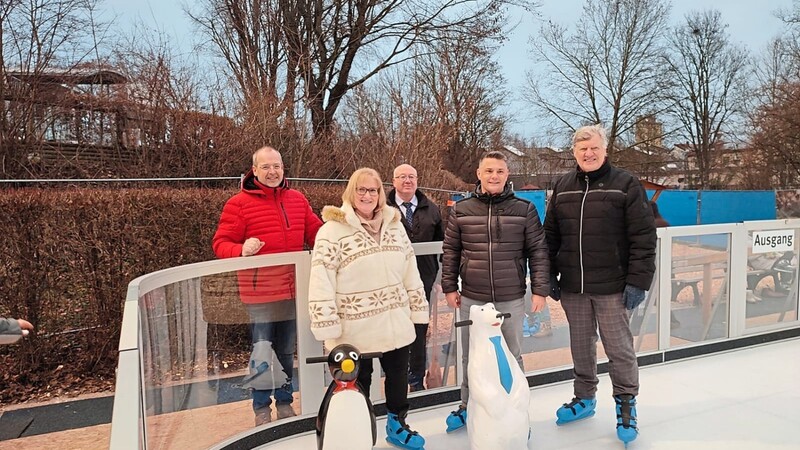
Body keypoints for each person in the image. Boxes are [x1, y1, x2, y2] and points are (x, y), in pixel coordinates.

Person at [544, 125, 656, 445]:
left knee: (619, 349)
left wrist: (637, 281)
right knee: (581, 345)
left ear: (605, 149)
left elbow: (644, 237)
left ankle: (625, 404)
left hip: (613, 286)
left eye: (593, 148)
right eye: (582, 149)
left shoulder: (626, 184)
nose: (588, 154)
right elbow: (550, 235)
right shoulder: (563, 185)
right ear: (574, 153)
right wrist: (549, 274)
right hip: (574, 286)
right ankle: (585, 398)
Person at [308, 167, 429, 450]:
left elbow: (410, 270)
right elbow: (321, 280)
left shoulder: (395, 226)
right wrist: (327, 322)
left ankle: (397, 424)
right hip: (354, 327)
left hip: (394, 320)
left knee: (398, 375)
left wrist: (417, 309)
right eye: (361, 189)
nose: (367, 195)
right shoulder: (331, 231)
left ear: (380, 195)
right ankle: (357, 429)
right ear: (351, 193)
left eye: (373, 190)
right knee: (358, 382)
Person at [212, 145, 323, 426]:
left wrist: (345, 228)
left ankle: (285, 403)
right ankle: (261, 409)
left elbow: (318, 233)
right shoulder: (238, 204)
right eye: (266, 167)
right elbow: (220, 243)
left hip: (292, 290)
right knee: (262, 350)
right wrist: (241, 250)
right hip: (259, 294)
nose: (272, 172)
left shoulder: (298, 200)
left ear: (283, 169)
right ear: (255, 170)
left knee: (286, 351)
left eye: (277, 166)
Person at [440, 150, 550, 433]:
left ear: (507, 174)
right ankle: (467, 406)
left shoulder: (524, 209)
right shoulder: (462, 210)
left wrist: (539, 290)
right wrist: (450, 286)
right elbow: (451, 251)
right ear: (479, 174)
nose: (494, 176)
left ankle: (518, 411)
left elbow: (538, 251)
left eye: (499, 171)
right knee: (471, 355)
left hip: (510, 296)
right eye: (488, 171)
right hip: (473, 299)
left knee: (512, 355)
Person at [387, 163, 444, 392]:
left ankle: (415, 380)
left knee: (419, 330)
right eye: (402, 177)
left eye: (411, 177)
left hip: (424, 280)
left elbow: (442, 245)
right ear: (394, 182)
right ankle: (396, 379)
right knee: (395, 330)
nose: (407, 181)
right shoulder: (383, 209)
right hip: (392, 281)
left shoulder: (431, 208)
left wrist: (439, 279)